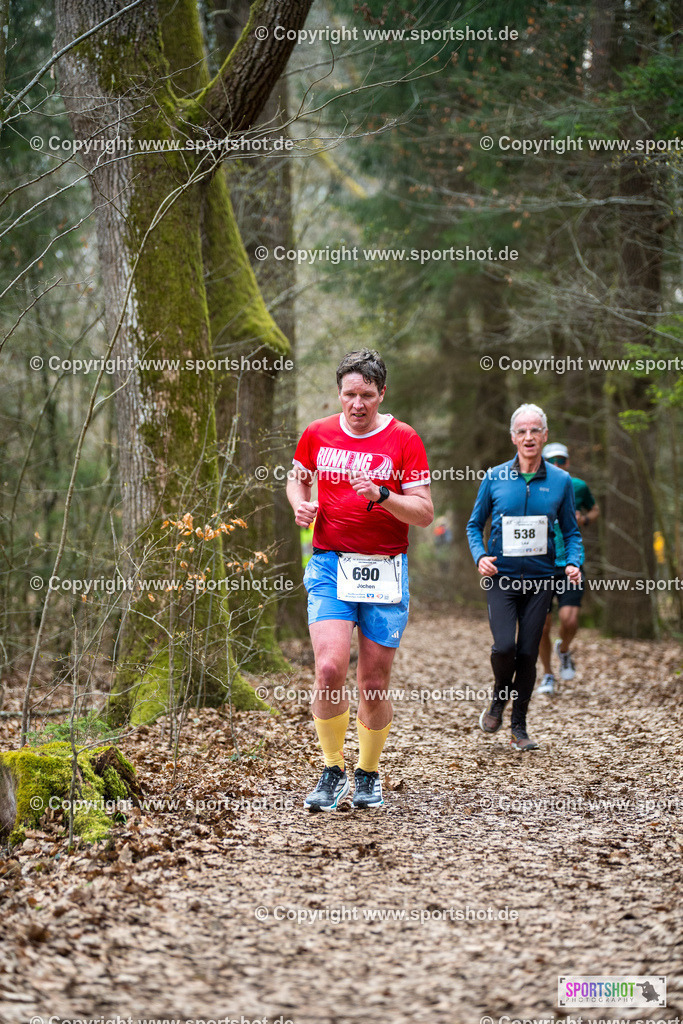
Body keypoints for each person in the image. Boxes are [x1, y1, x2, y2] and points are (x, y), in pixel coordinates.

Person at [286, 349, 433, 810]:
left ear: (381, 393)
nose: (357, 404)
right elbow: (297, 479)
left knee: (372, 681)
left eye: (367, 395)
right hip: (330, 564)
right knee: (329, 668)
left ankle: (368, 773)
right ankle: (332, 770)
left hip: (385, 569)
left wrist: (383, 494)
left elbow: (424, 513)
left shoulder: (404, 439)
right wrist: (300, 504)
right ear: (339, 393)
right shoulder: (317, 433)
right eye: (349, 394)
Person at [466, 404, 582, 751]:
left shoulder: (560, 481)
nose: (528, 437)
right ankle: (499, 697)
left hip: (541, 580)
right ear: (513, 437)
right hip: (502, 578)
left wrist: (573, 562)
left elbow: (572, 531)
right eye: (522, 431)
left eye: (535, 431)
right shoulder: (495, 477)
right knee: (505, 647)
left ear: (544, 436)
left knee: (528, 653)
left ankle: (519, 726)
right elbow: (474, 525)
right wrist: (480, 557)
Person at [537, 442, 599, 695]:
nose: (557, 465)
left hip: (571, 562)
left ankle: (563, 650)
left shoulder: (578, 486)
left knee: (570, 620)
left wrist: (585, 519)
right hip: (540, 564)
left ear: (568, 463)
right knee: (542, 626)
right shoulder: (533, 487)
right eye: (551, 461)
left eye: (561, 460)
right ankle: (547, 674)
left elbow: (594, 509)